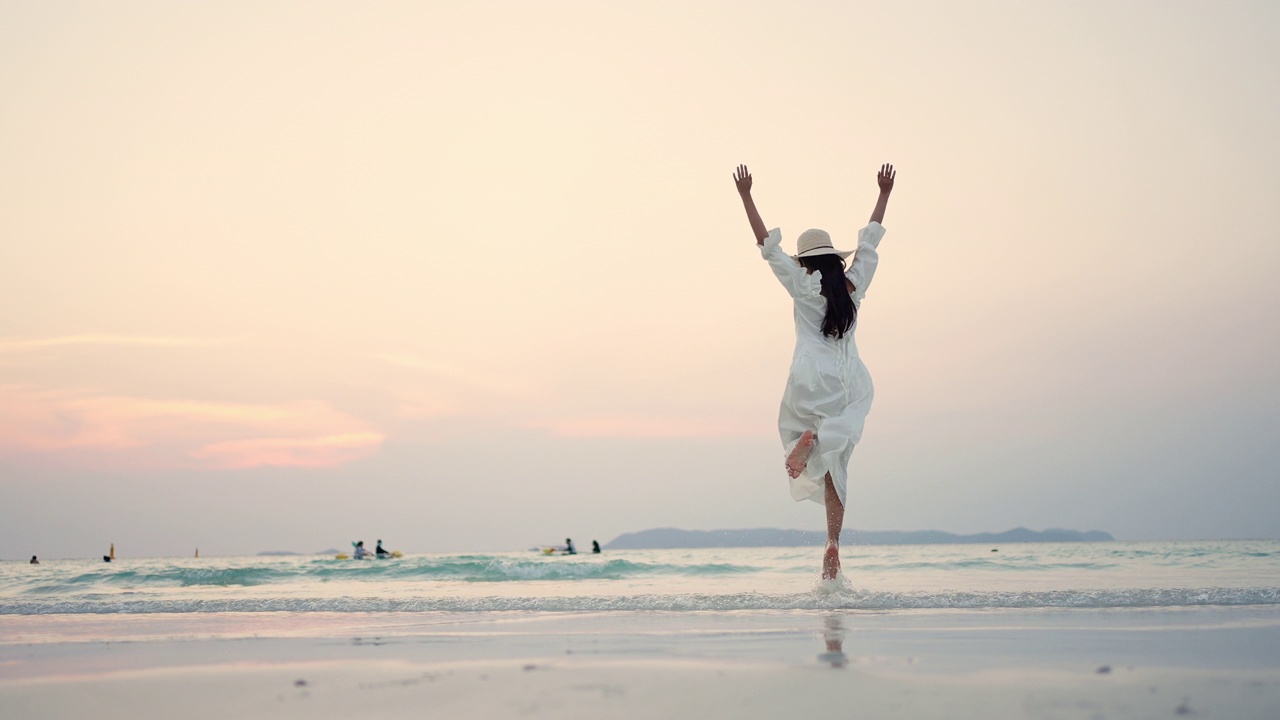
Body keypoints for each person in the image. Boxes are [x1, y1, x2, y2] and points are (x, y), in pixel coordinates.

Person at [733, 162, 895, 580]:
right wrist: (884, 193)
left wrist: (746, 196)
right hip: (848, 381)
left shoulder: (802, 286)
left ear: (805, 263)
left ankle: (810, 440)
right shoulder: (853, 288)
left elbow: (766, 246)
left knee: (801, 450)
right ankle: (833, 543)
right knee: (836, 467)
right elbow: (871, 241)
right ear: (834, 261)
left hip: (808, 377)